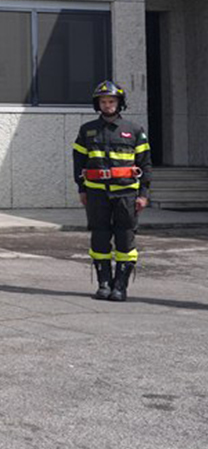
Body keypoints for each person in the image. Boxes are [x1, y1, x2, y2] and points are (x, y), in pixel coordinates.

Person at [73, 80, 152, 302]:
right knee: (99, 237)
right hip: (96, 193)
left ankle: (121, 285)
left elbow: (145, 164)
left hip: (126, 194)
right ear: (98, 104)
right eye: (104, 101)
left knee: (125, 237)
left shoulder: (134, 130)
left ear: (120, 103)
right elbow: (78, 162)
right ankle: (104, 284)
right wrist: (82, 188)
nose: (108, 105)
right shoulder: (87, 130)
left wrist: (143, 194)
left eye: (112, 101)